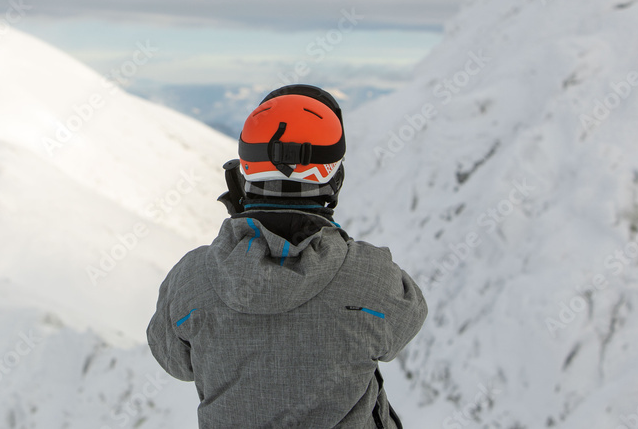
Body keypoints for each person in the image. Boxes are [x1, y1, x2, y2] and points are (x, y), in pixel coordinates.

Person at [147, 84, 428, 428]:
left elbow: (176, 362)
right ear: (335, 180)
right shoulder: (373, 279)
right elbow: (404, 325)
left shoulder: (191, 280)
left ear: (243, 172)